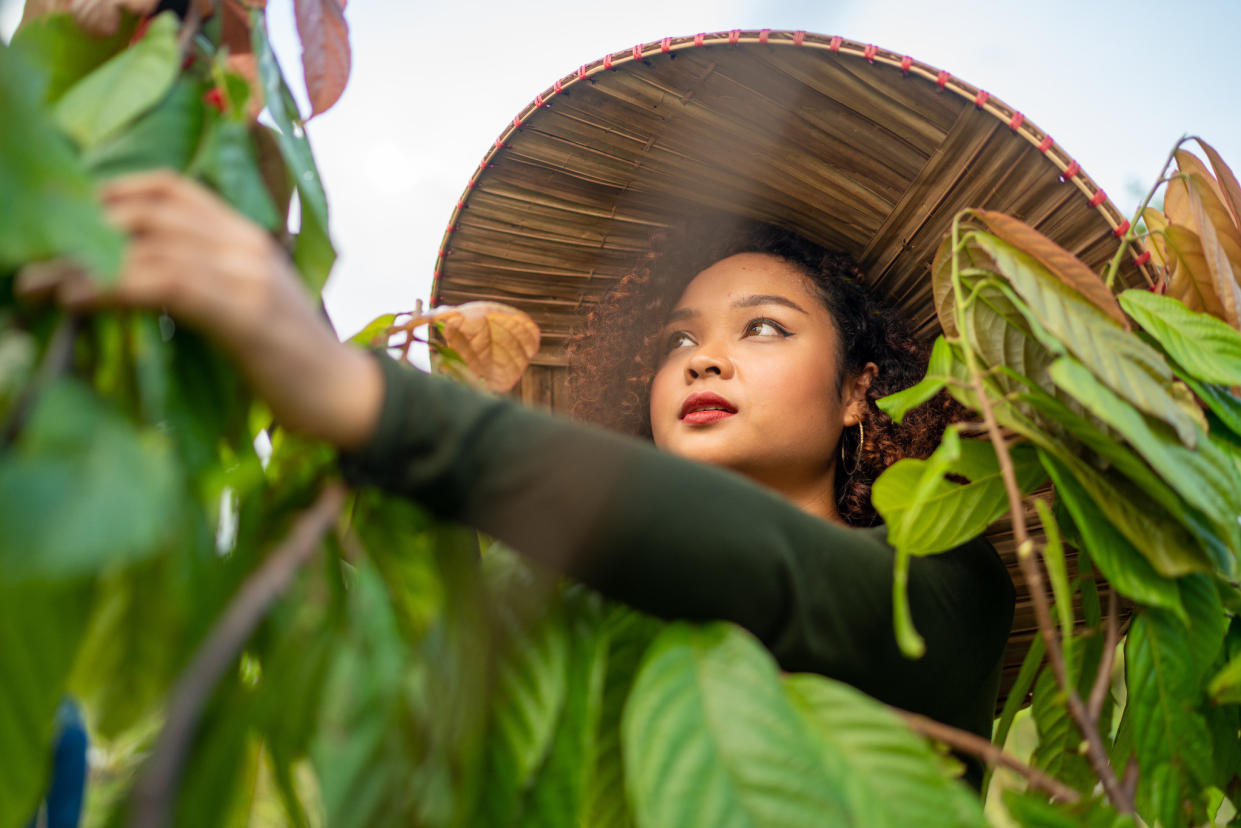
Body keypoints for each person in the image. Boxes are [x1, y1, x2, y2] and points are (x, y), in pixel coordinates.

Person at [19, 30, 1148, 792]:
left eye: (762, 328)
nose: (702, 359)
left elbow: (779, 576)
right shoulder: (564, 622)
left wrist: (359, 395)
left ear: (862, 391)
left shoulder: (944, 595)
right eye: (675, 339)